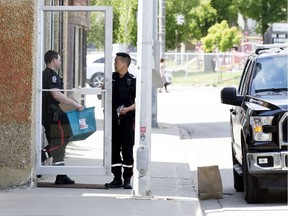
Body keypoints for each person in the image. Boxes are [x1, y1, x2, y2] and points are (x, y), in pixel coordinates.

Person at [41, 50, 84, 184]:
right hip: (52, 115)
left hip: (51, 114)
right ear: (54, 60)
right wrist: (74, 105)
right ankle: (41, 155)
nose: (60, 62)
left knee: (59, 141)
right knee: (60, 141)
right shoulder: (51, 75)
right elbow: (56, 95)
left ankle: (60, 175)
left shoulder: (48, 74)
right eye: (59, 59)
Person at [104, 52, 136, 189]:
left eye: (116, 61)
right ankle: (117, 178)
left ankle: (127, 179)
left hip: (127, 122)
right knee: (114, 150)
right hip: (113, 122)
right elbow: (104, 97)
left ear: (124, 64)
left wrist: (128, 109)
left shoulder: (133, 80)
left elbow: (138, 102)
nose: (114, 63)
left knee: (127, 151)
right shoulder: (111, 78)